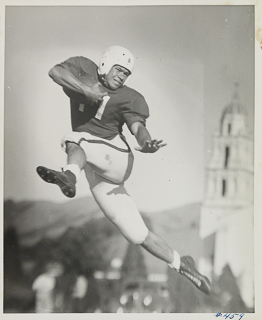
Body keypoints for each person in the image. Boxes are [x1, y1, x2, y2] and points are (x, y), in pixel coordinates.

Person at [36, 45, 211, 295]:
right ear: (105, 64)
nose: (122, 76)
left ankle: (69, 175)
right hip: (93, 166)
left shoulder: (130, 96)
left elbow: (138, 127)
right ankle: (182, 264)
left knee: (75, 138)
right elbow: (55, 72)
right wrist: (86, 90)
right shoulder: (82, 67)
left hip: (115, 157)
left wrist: (145, 142)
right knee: (136, 234)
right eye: (119, 69)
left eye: (126, 73)